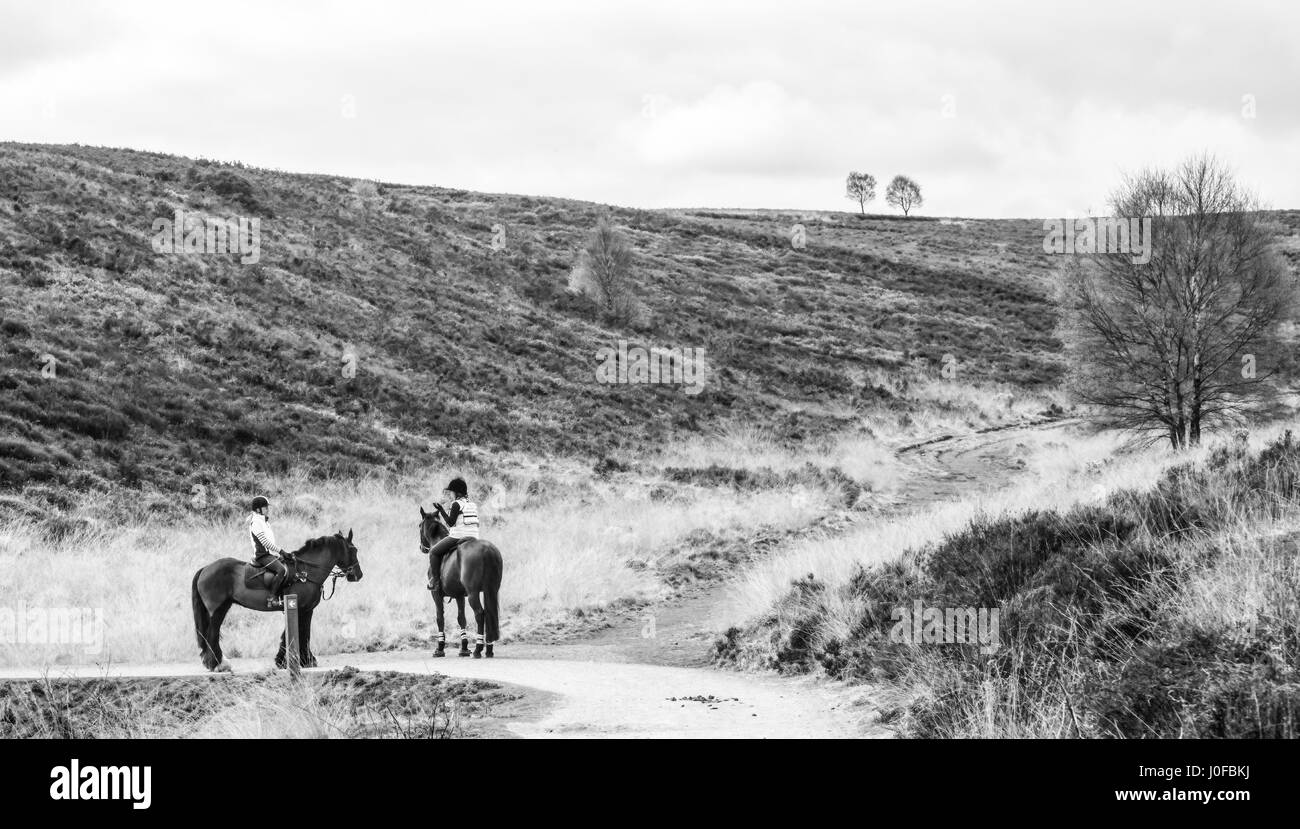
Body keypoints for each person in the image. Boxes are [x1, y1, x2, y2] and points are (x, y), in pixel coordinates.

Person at [427, 478, 479, 593]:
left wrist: (441, 511)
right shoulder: (472, 504)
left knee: (433, 552)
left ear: (457, 492)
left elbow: (450, 523)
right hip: (474, 537)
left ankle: (435, 582)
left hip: (458, 536)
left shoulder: (456, 504)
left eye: (451, 492)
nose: (450, 494)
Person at [246, 495, 293, 604]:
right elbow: (265, 542)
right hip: (262, 555)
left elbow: (270, 541)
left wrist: (278, 553)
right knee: (281, 570)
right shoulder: (256, 522)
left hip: (268, 554)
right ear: (258, 509)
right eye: (265, 507)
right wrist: (281, 551)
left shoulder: (264, 521)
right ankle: (271, 598)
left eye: (267, 507)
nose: (268, 509)